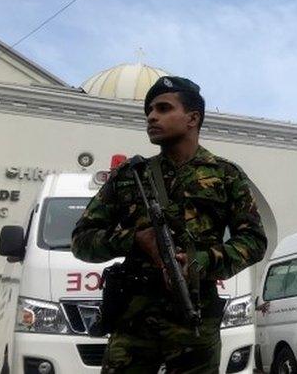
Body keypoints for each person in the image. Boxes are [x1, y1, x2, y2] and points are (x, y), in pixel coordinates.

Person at [72, 76, 269, 373]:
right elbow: (82, 240)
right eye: (149, 110)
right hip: (134, 322)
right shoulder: (130, 175)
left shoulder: (225, 175)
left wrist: (201, 261)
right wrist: (134, 240)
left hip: (194, 321)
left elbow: (253, 241)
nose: (152, 117)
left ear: (193, 118)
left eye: (163, 108)